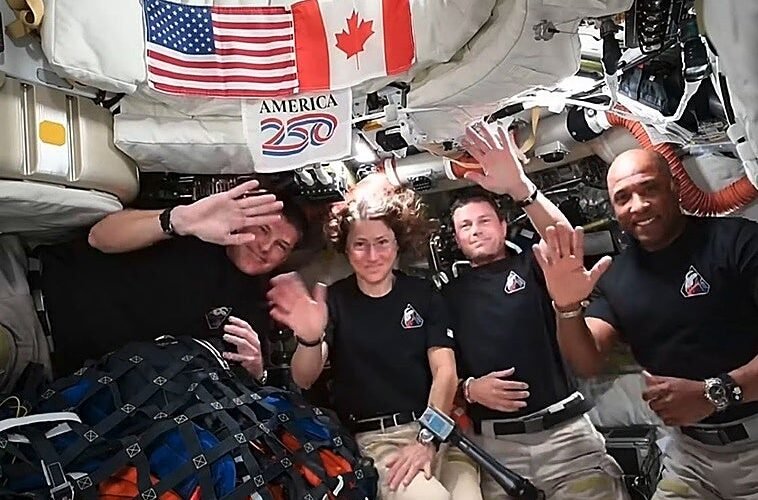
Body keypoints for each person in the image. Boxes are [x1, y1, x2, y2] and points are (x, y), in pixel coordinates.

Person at [533, 148, 758, 499]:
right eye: (623, 198)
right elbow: (587, 361)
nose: (637, 205)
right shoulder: (616, 277)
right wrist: (566, 306)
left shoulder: (737, 242)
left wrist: (715, 393)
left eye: (648, 188)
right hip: (692, 456)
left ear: (674, 187)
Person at [443, 122, 628, 499]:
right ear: (457, 237)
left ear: (503, 226)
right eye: (465, 226)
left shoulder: (535, 265)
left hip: (566, 438)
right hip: (497, 450)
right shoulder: (445, 295)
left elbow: (564, 240)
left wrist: (520, 187)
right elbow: (435, 369)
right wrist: (469, 389)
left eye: (484, 221)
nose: (476, 230)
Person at [266, 187, 482, 500]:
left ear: (397, 244)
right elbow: (304, 377)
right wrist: (310, 338)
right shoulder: (335, 301)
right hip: (379, 442)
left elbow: (445, 372)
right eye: (360, 245)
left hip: (438, 431)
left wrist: (427, 438)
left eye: (382, 242)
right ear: (346, 248)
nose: (372, 256)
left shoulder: (423, 294)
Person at [0, 179, 305, 391]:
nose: (266, 247)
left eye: (281, 246)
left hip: (48, 369)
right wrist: (178, 221)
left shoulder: (254, 308)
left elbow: (236, 388)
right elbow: (99, 237)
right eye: (263, 230)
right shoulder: (193, 222)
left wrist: (257, 374)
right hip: (26, 294)